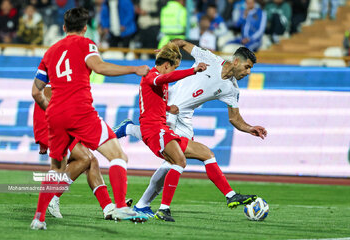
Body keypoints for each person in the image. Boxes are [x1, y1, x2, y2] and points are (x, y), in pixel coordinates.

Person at [114, 39, 267, 219]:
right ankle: (151, 204)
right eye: (247, 67)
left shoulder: (232, 89)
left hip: (185, 117)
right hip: (169, 106)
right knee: (175, 158)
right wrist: (166, 49)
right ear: (236, 61)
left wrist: (249, 128)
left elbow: (234, 118)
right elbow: (181, 42)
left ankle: (144, 203)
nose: (248, 72)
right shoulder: (209, 58)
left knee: (175, 161)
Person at [30, 7, 150, 230]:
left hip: (55, 114)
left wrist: (52, 110)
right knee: (118, 155)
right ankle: (121, 206)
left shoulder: (50, 52)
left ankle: (39, 218)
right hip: (80, 112)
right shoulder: (86, 44)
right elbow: (100, 67)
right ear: (85, 28)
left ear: (64, 27)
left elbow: (36, 92)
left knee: (56, 168)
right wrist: (134, 69)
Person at [33, 89, 133, 220]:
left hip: (70, 126)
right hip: (58, 129)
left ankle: (108, 207)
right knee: (85, 159)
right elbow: (41, 106)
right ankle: (52, 199)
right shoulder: (52, 83)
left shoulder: (64, 80)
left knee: (92, 161)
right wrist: (42, 140)